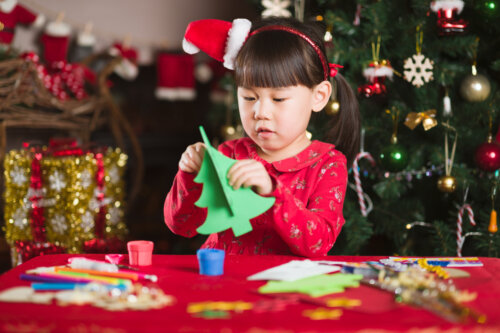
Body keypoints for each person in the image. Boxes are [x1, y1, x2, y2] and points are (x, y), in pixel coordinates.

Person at [164, 17, 361, 257]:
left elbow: (318, 244)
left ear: (318, 96)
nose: (261, 113)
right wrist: (190, 175)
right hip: (223, 283)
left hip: (285, 289)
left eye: (278, 99)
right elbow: (182, 225)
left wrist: (272, 191)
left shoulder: (327, 164)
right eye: (249, 98)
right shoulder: (229, 153)